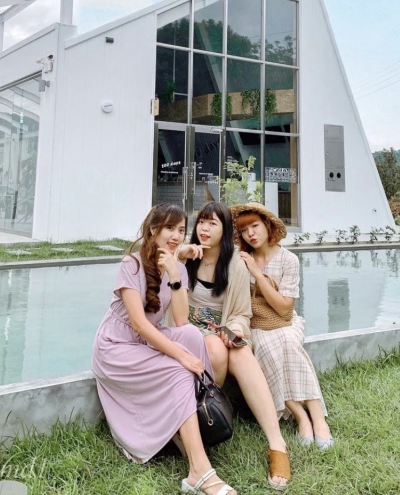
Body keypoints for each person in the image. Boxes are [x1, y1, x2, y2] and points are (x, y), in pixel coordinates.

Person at [91, 203, 237, 495]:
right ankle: (199, 471)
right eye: (169, 228)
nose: (176, 236)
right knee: (180, 369)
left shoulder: (177, 267)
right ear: (153, 230)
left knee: (191, 335)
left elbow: (181, 320)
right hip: (117, 347)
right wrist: (183, 358)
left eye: (181, 230)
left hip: (147, 341)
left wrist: (174, 273)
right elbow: (139, 324)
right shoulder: (131, 265)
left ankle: (194, 420)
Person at [174, 202, 291, 491]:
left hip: (222, 331)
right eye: (202, 222)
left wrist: (235, 330)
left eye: (213, 223)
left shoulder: (235, 264)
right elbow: (163, 283)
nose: (204, 228)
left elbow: (240, 313)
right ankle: (206, 417)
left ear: (225, 230)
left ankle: (277, 443)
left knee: (239, 351)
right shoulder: (186, 256)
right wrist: (179, 257)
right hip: (186, 331)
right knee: (215, 347)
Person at [231, 202, 334, 450]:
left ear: (267, 225)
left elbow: (284, 309)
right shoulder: (240, 259)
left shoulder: (288, 260)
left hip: (284, 321)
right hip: (255, 325)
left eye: (254, 226)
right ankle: (301, 416)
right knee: (266, 347)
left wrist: (257, 273)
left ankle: (317, 415)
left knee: (287, 341)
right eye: (244, 230)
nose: (250, 234)